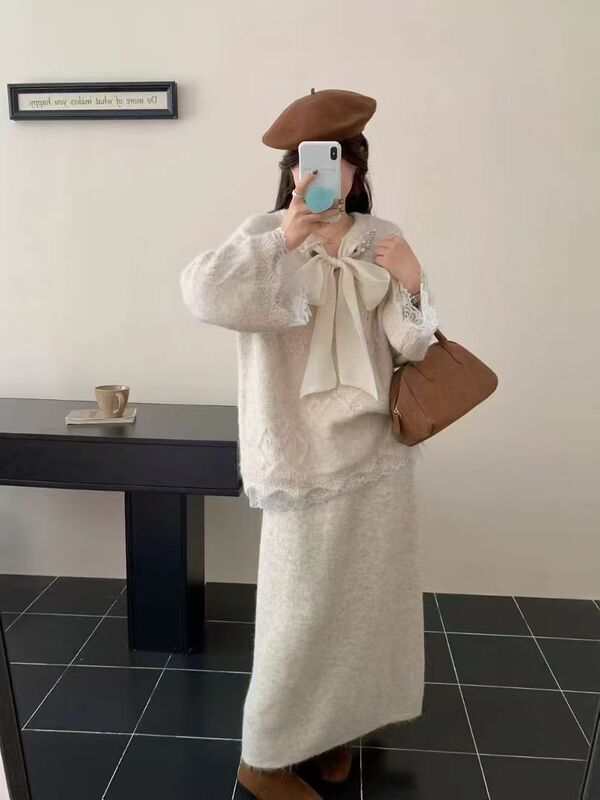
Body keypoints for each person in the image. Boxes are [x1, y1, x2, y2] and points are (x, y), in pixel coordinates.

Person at [179, 88, 439, 800]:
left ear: (357, 169)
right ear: (293, 171)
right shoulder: (265, 234)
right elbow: (202, 295)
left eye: (341, 160)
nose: (326, 173)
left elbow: (412, 344)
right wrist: (282, 241)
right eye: (311, 161)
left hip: (376, 453)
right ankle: (263, 760)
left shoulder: (381, 236)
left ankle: (334, 732)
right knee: (297, 615)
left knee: (363, 608)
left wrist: (413, 281)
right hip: (297, 454)